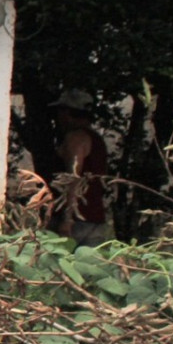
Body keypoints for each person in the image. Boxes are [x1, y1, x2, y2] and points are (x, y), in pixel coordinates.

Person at [51, 88, 110, 247]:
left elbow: (73, 178)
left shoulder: (75, 138)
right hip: (95, 219)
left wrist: (67, 219)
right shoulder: (96, 140)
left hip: (76, 223)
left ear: (67, 113)